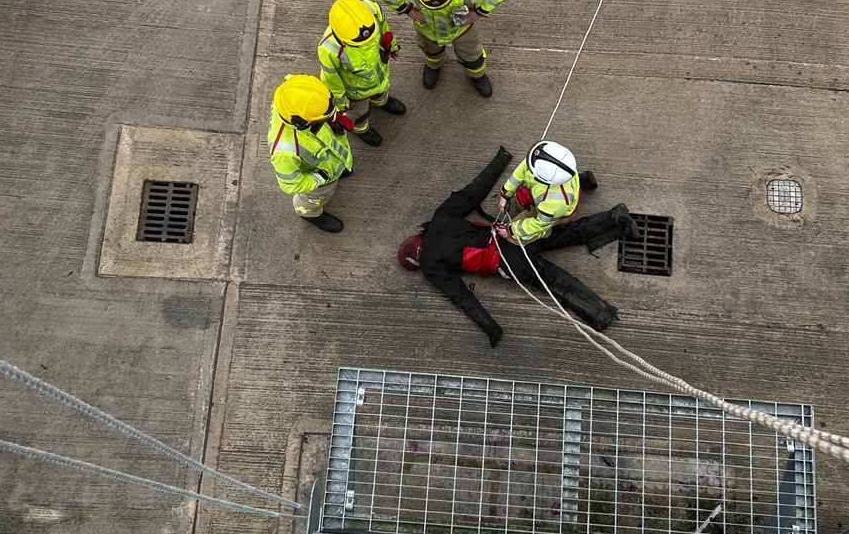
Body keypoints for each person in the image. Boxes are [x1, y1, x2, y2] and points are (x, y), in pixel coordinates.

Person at [397, 147, 639, 345]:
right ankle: (615, 219)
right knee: (558, 233)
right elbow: (473, 192)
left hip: (507, 261)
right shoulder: (440, 218)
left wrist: (492, 328)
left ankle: (601, 313)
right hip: (509, 232)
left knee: (552, 279)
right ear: (418, 236)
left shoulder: (431, 267)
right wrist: (501, 159)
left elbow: (463, 298)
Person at [371, 0, 511, 98]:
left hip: (462, 26)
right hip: (428, 27)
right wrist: (405, 8)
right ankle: (433, 65)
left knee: (473, 55)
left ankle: (477, 74)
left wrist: (480, 10)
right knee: (431, 52)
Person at [268, 74, 353, 233]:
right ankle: (309, 213)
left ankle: (340, 169)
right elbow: (291, 184)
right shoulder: (284, 151)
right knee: (316, 199)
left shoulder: (295, 90)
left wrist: (335, 117)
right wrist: (320, 178)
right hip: (320, 180)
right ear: (302, 123)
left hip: (331, 160)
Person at [317, 0, 406, 148]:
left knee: (382, 92)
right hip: (357, 93)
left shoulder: (373, 11)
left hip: (380, 75)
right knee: (359, 114)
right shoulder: (329, 49)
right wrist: (342, 104)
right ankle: (361, 129)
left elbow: (385, 28)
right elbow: (331, 79)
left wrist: (392, 45)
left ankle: (382, 102)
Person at [497, 140, 591, 247]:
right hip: (542, 200)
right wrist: (506, 193)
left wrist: (511, 231)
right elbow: (523, 168)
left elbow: (541, 223)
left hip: (549, 215)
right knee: (521, 205)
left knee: (513, 238)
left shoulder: (556, 202)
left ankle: (544, 233)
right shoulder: (541, 159)